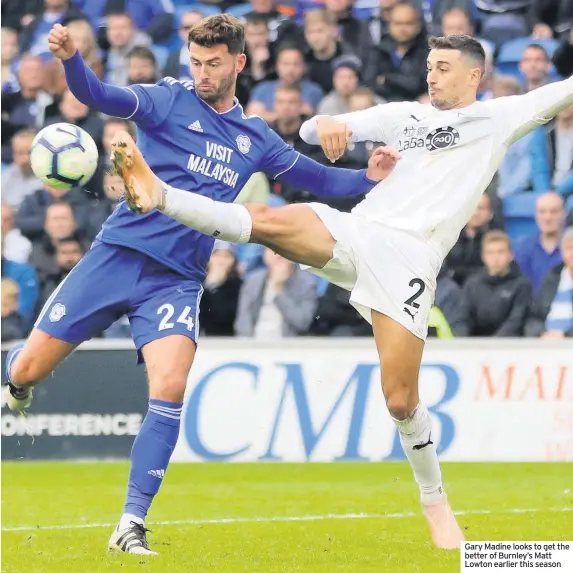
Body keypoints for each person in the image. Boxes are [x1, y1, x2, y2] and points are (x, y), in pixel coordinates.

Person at [110, 34, 573, 550]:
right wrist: (327, 125)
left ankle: (434, 498)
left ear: (474, 76)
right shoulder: (407, 117)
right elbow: (315, 128)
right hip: (356, 232)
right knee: (263, 219)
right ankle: (161, 194)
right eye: (429, 67)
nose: (432, 76)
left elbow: (564, 91)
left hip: (409, 260)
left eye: (443, 68)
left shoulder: (502, 118)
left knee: (400, 400)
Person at [3, 15, 398, 556]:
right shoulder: (167, 100)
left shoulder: (255, 137)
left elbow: (318, 180)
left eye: (213, 63)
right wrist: (72, 56)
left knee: (169, 385)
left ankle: (130, 525)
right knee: (26, 368)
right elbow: (96, 93)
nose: (202, 73)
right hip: (116, 256)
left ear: (239, 62)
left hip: (176, 280)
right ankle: (17, 382)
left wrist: (368, 179)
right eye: (195, 61)